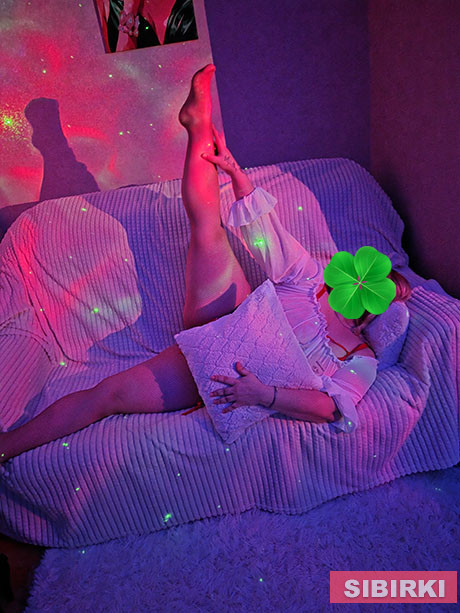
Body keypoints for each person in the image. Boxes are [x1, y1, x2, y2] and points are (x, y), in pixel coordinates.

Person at [0, 64, 412, 463]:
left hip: (223, 368)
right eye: (372, 284)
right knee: (207, 226)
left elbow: (329, 409)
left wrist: (264, 395)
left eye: (381, 298)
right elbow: (266, 233)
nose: (368, 296)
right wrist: (236, 173)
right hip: (227, 317)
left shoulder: (361, 358)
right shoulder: (311, 279)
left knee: (110, 395)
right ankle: (196, 123)